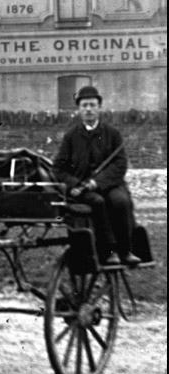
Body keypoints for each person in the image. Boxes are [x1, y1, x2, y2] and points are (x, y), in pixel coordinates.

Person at [53, 85, 140, 266]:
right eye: (84, 106)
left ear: (99, 107)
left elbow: (120, 164)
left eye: (92, 105)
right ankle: (109, 251)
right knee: (98, 203)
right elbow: (59, 168)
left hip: (110, 184)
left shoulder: (112, 134)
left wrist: (97, 182)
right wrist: (76, 184)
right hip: (81, 188)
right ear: (79, 109)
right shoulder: (71, 136)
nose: (89, 109)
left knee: (120, 201)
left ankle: (126, 251)